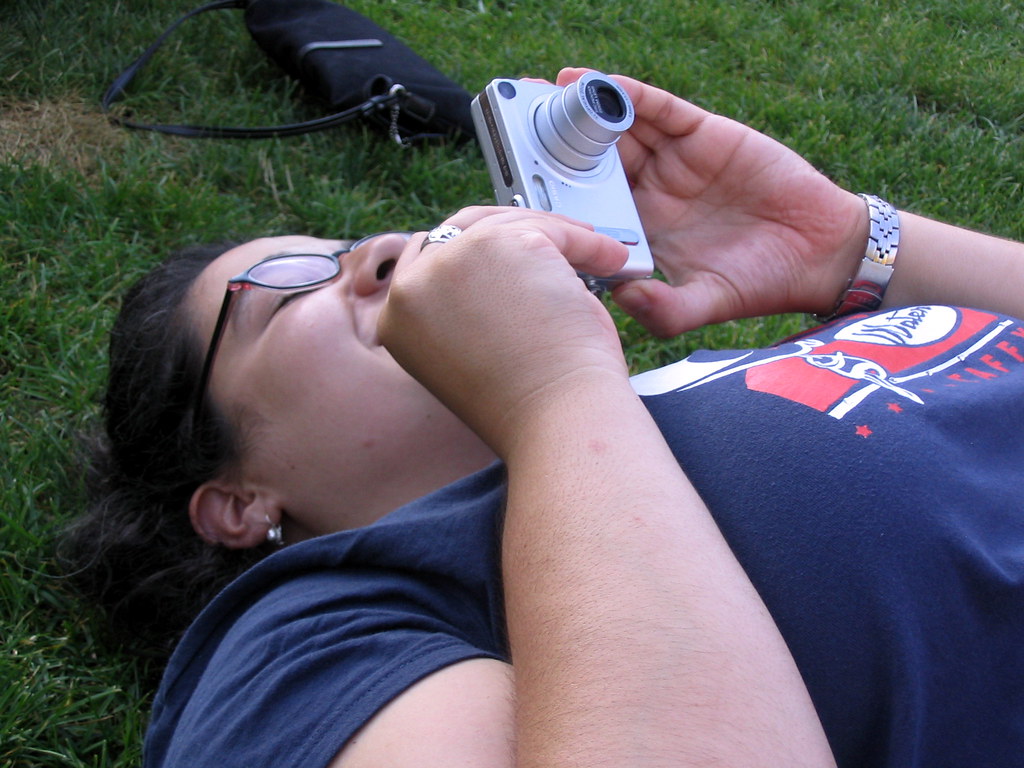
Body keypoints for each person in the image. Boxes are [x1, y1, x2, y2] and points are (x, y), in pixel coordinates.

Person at [61, 69, 1024, 768]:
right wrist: (554, 395)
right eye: (288, 291)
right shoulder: (307, 644)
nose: (385, 249)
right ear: (236, 499)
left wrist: (846, 248)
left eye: (352, 240)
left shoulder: (661, 401)